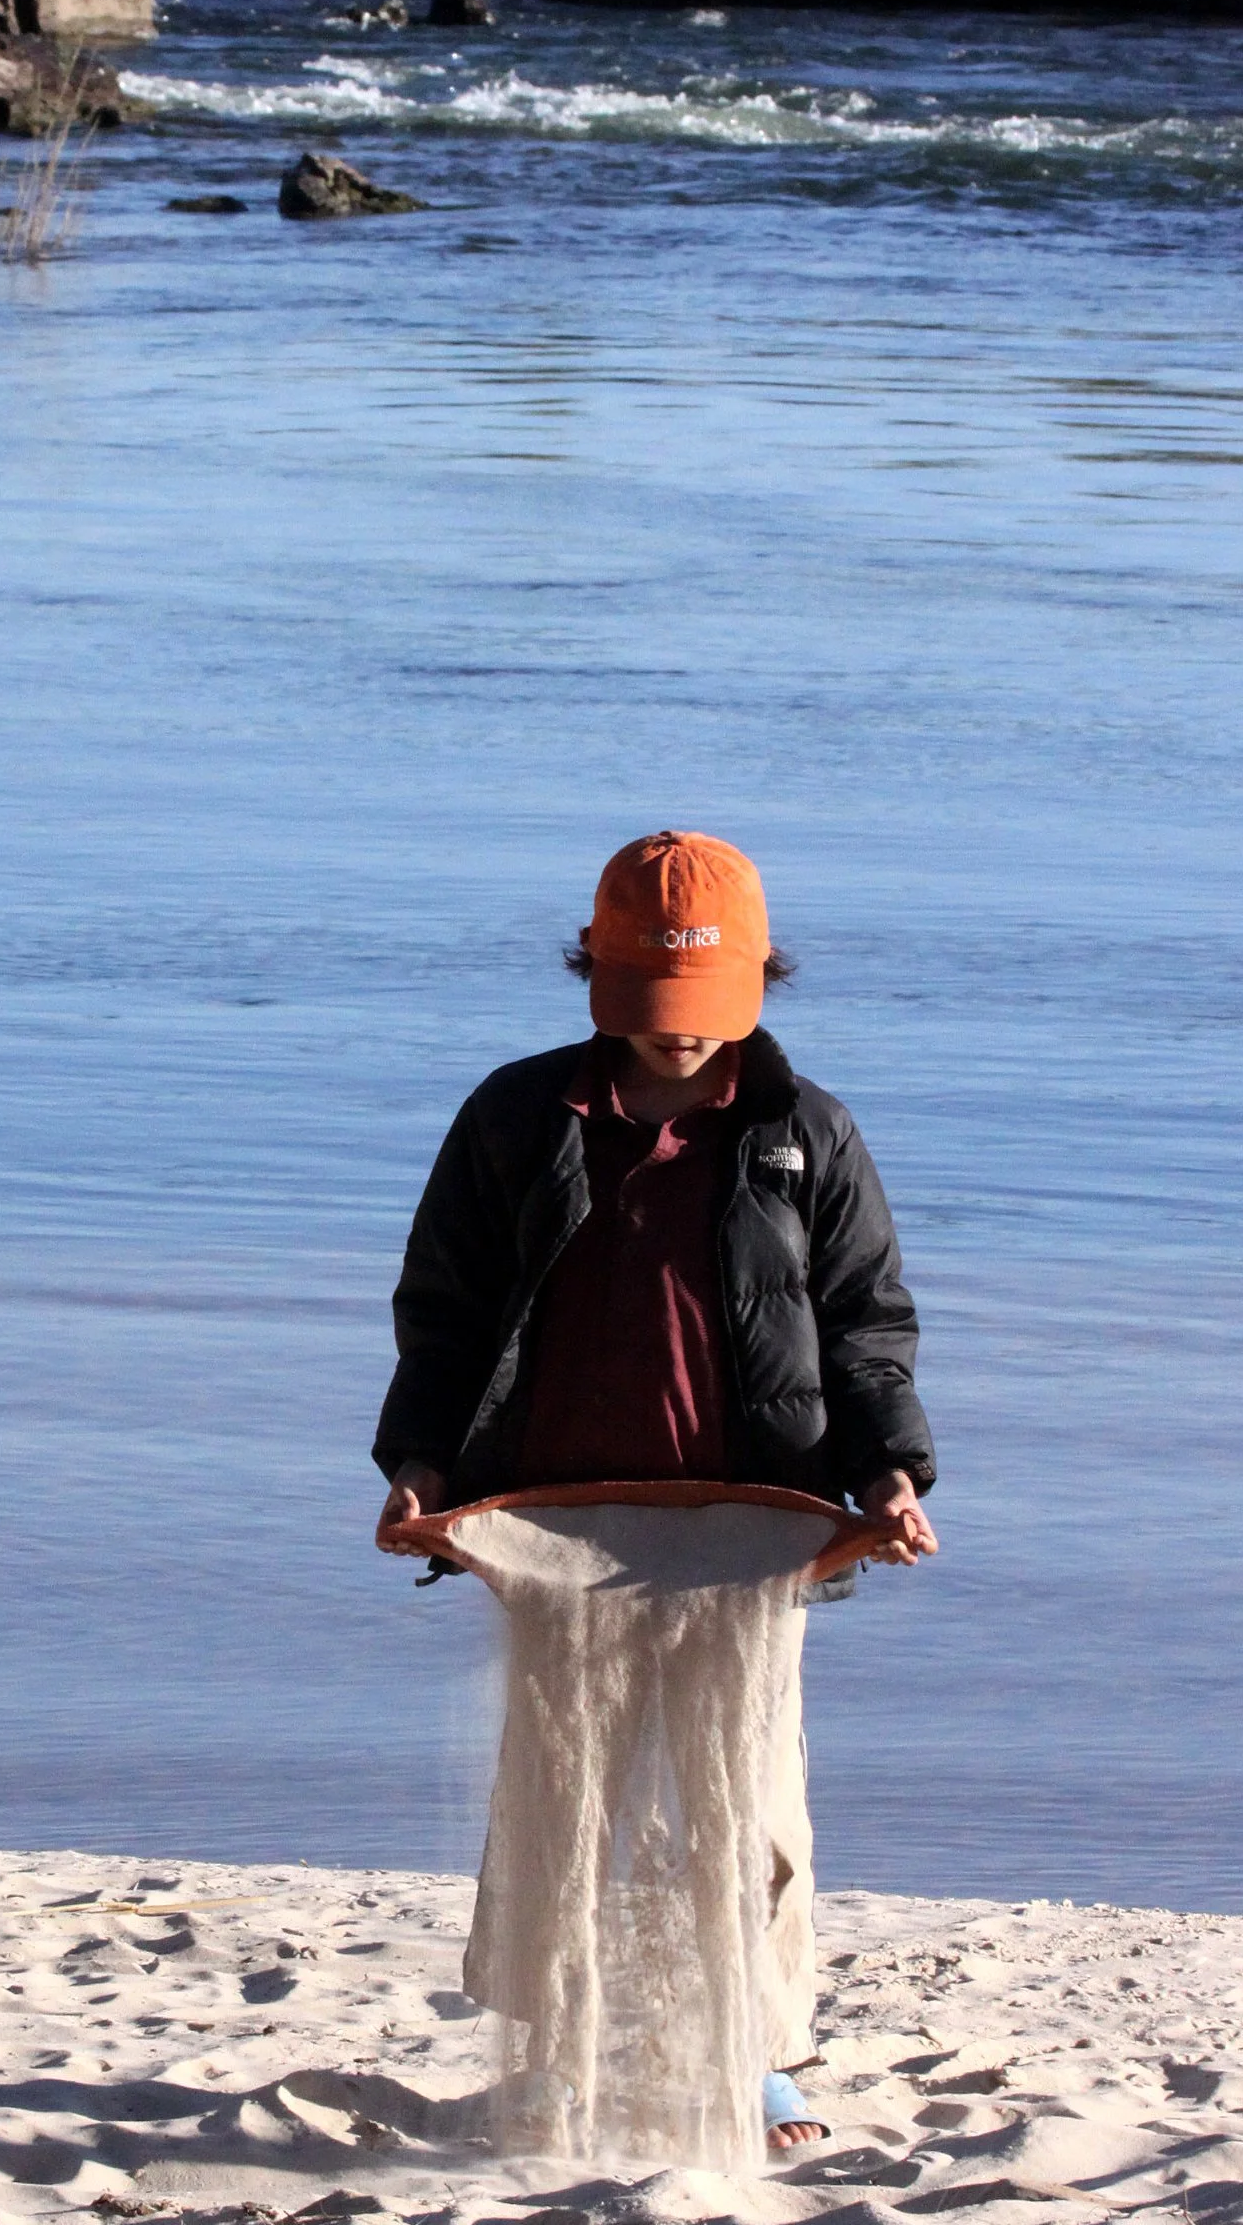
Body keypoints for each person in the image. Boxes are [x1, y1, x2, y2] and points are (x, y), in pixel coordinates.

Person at [374, 828, 937, 2152]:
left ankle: (756, 2055)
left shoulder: (806, 1133)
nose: (676, 1041)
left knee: (748, 1803)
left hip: (757, 1527)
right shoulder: (518, 1118)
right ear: (597, 978)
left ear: (755, 982)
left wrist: (891, 1472)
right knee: (562, 1799)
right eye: (650, 1011)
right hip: (560, 1522)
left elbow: (866, 1323)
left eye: (698, 1013)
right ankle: (555, 2054)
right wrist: (419, 1468)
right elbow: (445, 1316)